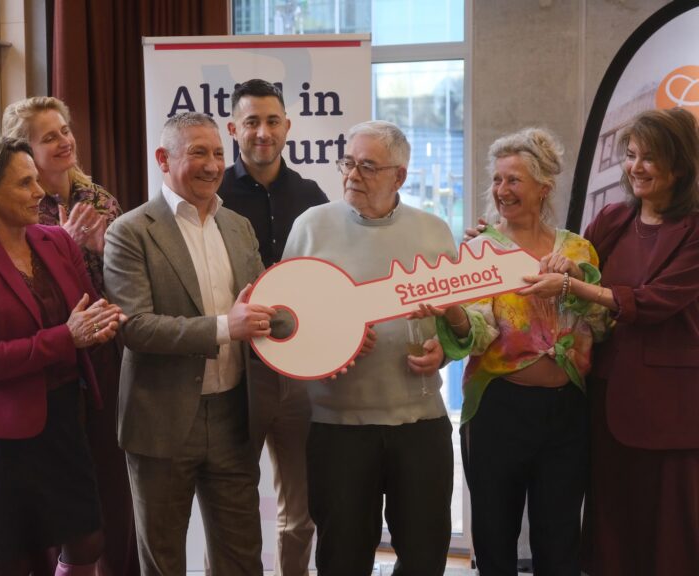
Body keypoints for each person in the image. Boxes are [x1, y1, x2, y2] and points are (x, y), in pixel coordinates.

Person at [419, 128, 606, 575]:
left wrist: (574, 280)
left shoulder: (578, 249)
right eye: (498, 181)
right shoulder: (481, 250)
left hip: (567, 414)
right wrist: (455, 315)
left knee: (560, 538)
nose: (502, 191)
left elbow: (600, 325)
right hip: (498, 412)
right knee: (494, 535)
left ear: (543, 187)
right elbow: (477, 334)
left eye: (514, 181)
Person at [0, 134, 126, 576]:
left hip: (64, 415)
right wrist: (68, 336)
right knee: (18, 558)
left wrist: (105, 321)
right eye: (24, 183)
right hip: (2, 435)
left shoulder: (56, 242)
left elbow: (87, 305)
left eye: (36, 180)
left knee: (87, 540)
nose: (39, 192)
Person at [523, 108, 699, 575]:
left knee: (669, 534)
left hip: (671, 414)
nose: (635, 167)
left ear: (679, 166)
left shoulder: (696, 229)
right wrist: (505, 247)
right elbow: (584, 266)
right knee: (613, 527)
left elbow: (653, 302)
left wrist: (575, 286)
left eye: (649, 158)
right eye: (630, 155)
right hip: (606, 402)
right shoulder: (613, 218)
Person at [104, 111, 276, 576]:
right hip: (160, 421)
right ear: (163, 158)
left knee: (241, 560)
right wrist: (226, 327)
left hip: (234, 419)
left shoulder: (238, 227)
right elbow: (135, 327)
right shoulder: (130, 232)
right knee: (163, 562)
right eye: (198, 152)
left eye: (218, 152)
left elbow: (265, 309)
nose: (212, 164)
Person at [282, 120, 454, 576]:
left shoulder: (434, 231)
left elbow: (465, 320)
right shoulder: (311, 227)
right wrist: (333, 340)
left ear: (399, 175)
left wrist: (447, 351)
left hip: (420, 424)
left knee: (424, 557)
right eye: (348, 163)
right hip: (338, 427)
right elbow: (283, 320)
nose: (352, 175)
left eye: (367, 166)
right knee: (342, 558)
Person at [2, 96, 137, 576]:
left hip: (104, 357)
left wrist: (106, 249)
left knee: (107, 482)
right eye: (49, 137)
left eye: (65, 130)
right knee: (56, 491)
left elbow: (129, 285)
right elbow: (18, 299)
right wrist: (64, 246)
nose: (65, 142)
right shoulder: (15, 210)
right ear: (24, 152)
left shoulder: (99, 199)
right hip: (48, 366)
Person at [218, 78, 328, 576]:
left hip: (300, 372)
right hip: (233, 369)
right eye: (251, 122)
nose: (263, 132)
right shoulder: (211, 194)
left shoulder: (312, 195)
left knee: (299, 513)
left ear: (287, 126)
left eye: (272, 121)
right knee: (231, 511)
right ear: (232, 129)